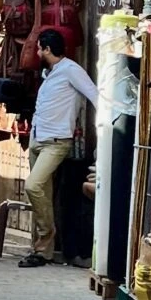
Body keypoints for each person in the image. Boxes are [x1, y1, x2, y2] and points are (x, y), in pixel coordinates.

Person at [20, 27, 98, 269]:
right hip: (38, 138)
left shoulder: (72, 71)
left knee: (33, 186)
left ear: (47, 49)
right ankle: (42, 250)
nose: (37, 52)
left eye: (39, 48)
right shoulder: (50, 73)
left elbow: (95, 96)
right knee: (41, 192)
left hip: (56, 141)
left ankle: (46, 235)